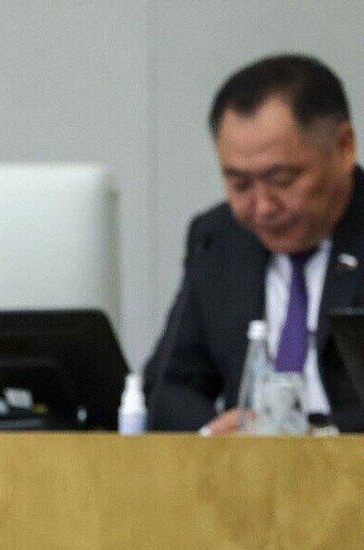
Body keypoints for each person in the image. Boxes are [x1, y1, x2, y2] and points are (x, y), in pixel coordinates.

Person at [145, 54, 364, 433]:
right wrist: (216, 433)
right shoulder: (218, 238)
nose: (262, 207)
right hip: (244, 468)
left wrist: (310, 437)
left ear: (344, 147)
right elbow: (169, 387)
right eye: (240, 184)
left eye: (282, 179)